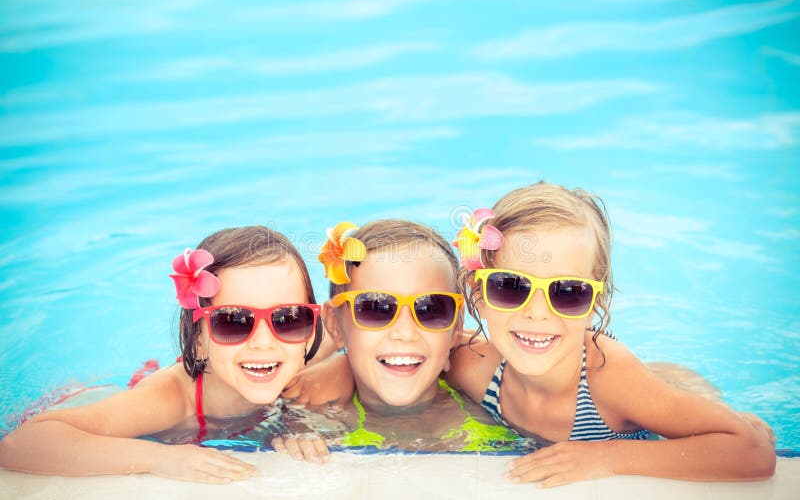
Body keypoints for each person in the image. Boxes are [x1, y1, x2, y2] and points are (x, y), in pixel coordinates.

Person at [445, 181, 776, 487]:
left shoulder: (609, 379)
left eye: (568, 291)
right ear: (478, 294)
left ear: (594, 304)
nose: (537, 311)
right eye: (510, 287)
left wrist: (608, 456)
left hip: (648, 390)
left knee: (727, 422)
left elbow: (753, 452)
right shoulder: (473, 366)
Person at [0, 226, 328, 482]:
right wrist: (161, 459)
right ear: (197, 339)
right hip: (89, 399)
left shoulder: (288, 359)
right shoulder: (172, 400)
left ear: (309, 330)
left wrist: (291, 425)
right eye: (232, 321)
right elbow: (22, 445)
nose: (263, 342)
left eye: (288, 318)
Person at [277, 220, 526, 455]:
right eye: (376, 308)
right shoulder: (302, 411)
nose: (405, 333)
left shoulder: (496, 405)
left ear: (456, 328)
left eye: (431, 309)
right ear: (335, 325)